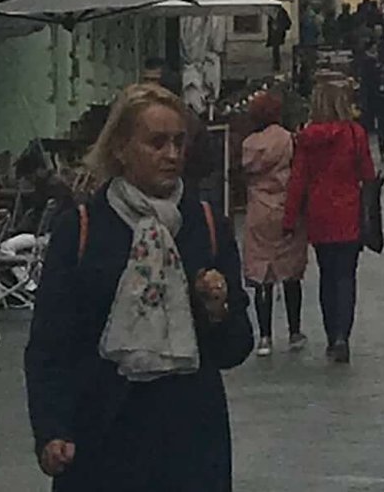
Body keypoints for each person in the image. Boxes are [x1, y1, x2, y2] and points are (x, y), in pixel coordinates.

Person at [26, 82, 253, 492]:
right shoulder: (83, 228)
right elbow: (49, 342)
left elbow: (235, 348)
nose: (171, 155)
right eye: (156, 142)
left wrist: (218, 310)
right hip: (101, 435)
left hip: (189, 442)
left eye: (179, 142)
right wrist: (52, 430)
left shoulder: (206, 225)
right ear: (120, 149)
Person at [283, 75, 377, 364]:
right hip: (348, 211)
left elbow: (298, 180)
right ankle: (342, 336)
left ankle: (330, 333)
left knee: (327, 275)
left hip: (319, 213)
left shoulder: (307, 139)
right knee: (346, 275)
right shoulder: (354, 134)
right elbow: (368, 174)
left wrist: (289, 218)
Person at [235, 92, 307, 354]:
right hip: (286, 209)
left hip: (258, 212)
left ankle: (264, 337)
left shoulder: (248, 145)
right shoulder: (289, 140)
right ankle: (295, 331)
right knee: (290, 272)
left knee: (261, 273)